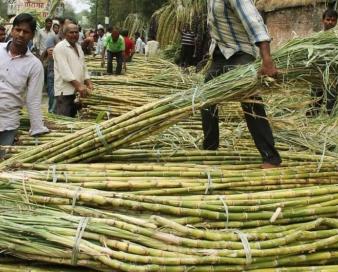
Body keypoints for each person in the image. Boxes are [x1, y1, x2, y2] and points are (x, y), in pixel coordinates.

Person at [201, 0, 281, 169]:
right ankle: (210, 148)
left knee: (250, 100)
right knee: (205, 97)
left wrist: (267, 61)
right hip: (221, 54)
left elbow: (255, 23)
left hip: (240, 53)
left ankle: (270, 157)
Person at [0, 13, 49, 158]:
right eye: (17, 29)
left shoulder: (34, 65)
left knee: (2, 165)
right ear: (12, 30)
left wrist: (37, 127)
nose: (21, 34)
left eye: (26, 32)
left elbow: (33, 100)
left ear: (32, 35)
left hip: (7, 123)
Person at [53, 23, 92, 117]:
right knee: (65, 120)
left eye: (76, 32)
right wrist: (79, 86)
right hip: (65, 92)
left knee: (76, 119)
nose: (74, 35)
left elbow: (83, 67)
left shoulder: (78, 47)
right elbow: (65, 71)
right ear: (65, 34)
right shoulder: (60, 47)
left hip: (78, 92)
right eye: (71, 32)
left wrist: (88, 82)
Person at [307, 9, 338, 117]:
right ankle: (311, 120)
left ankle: (331, 120)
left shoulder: (336, 38)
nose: (330, 22)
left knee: (331, 97)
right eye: (328, 19)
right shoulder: (317, 37)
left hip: (332, 73)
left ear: (336, 22)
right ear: (322, 20)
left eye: (333, 20)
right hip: (318, 72)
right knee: (315, 97)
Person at [44, 17, 74, 113]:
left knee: (64, 102)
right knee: (54, 100)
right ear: (62, 26)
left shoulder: (72, 41)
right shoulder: (52, 38)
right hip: (54, 73)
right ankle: (51, 120)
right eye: (68, 25)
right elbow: (51, 56)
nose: (71, 28)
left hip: (68, 75)